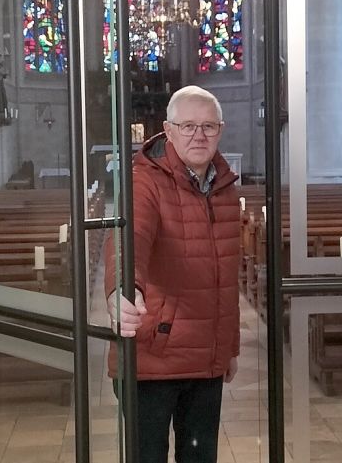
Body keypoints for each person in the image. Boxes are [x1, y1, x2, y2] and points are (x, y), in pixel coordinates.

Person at [103, 85, 241, 463]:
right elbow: (129, 237)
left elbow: (226, 277)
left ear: (221, 130)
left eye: (209, 126)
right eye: (188, 125)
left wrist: (228, 347)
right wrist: (123, 288)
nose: (199, 135)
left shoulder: (225, 188)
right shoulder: (143, 180)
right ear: (168, 128)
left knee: (200, 457)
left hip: (206, 359)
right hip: (153, 359)